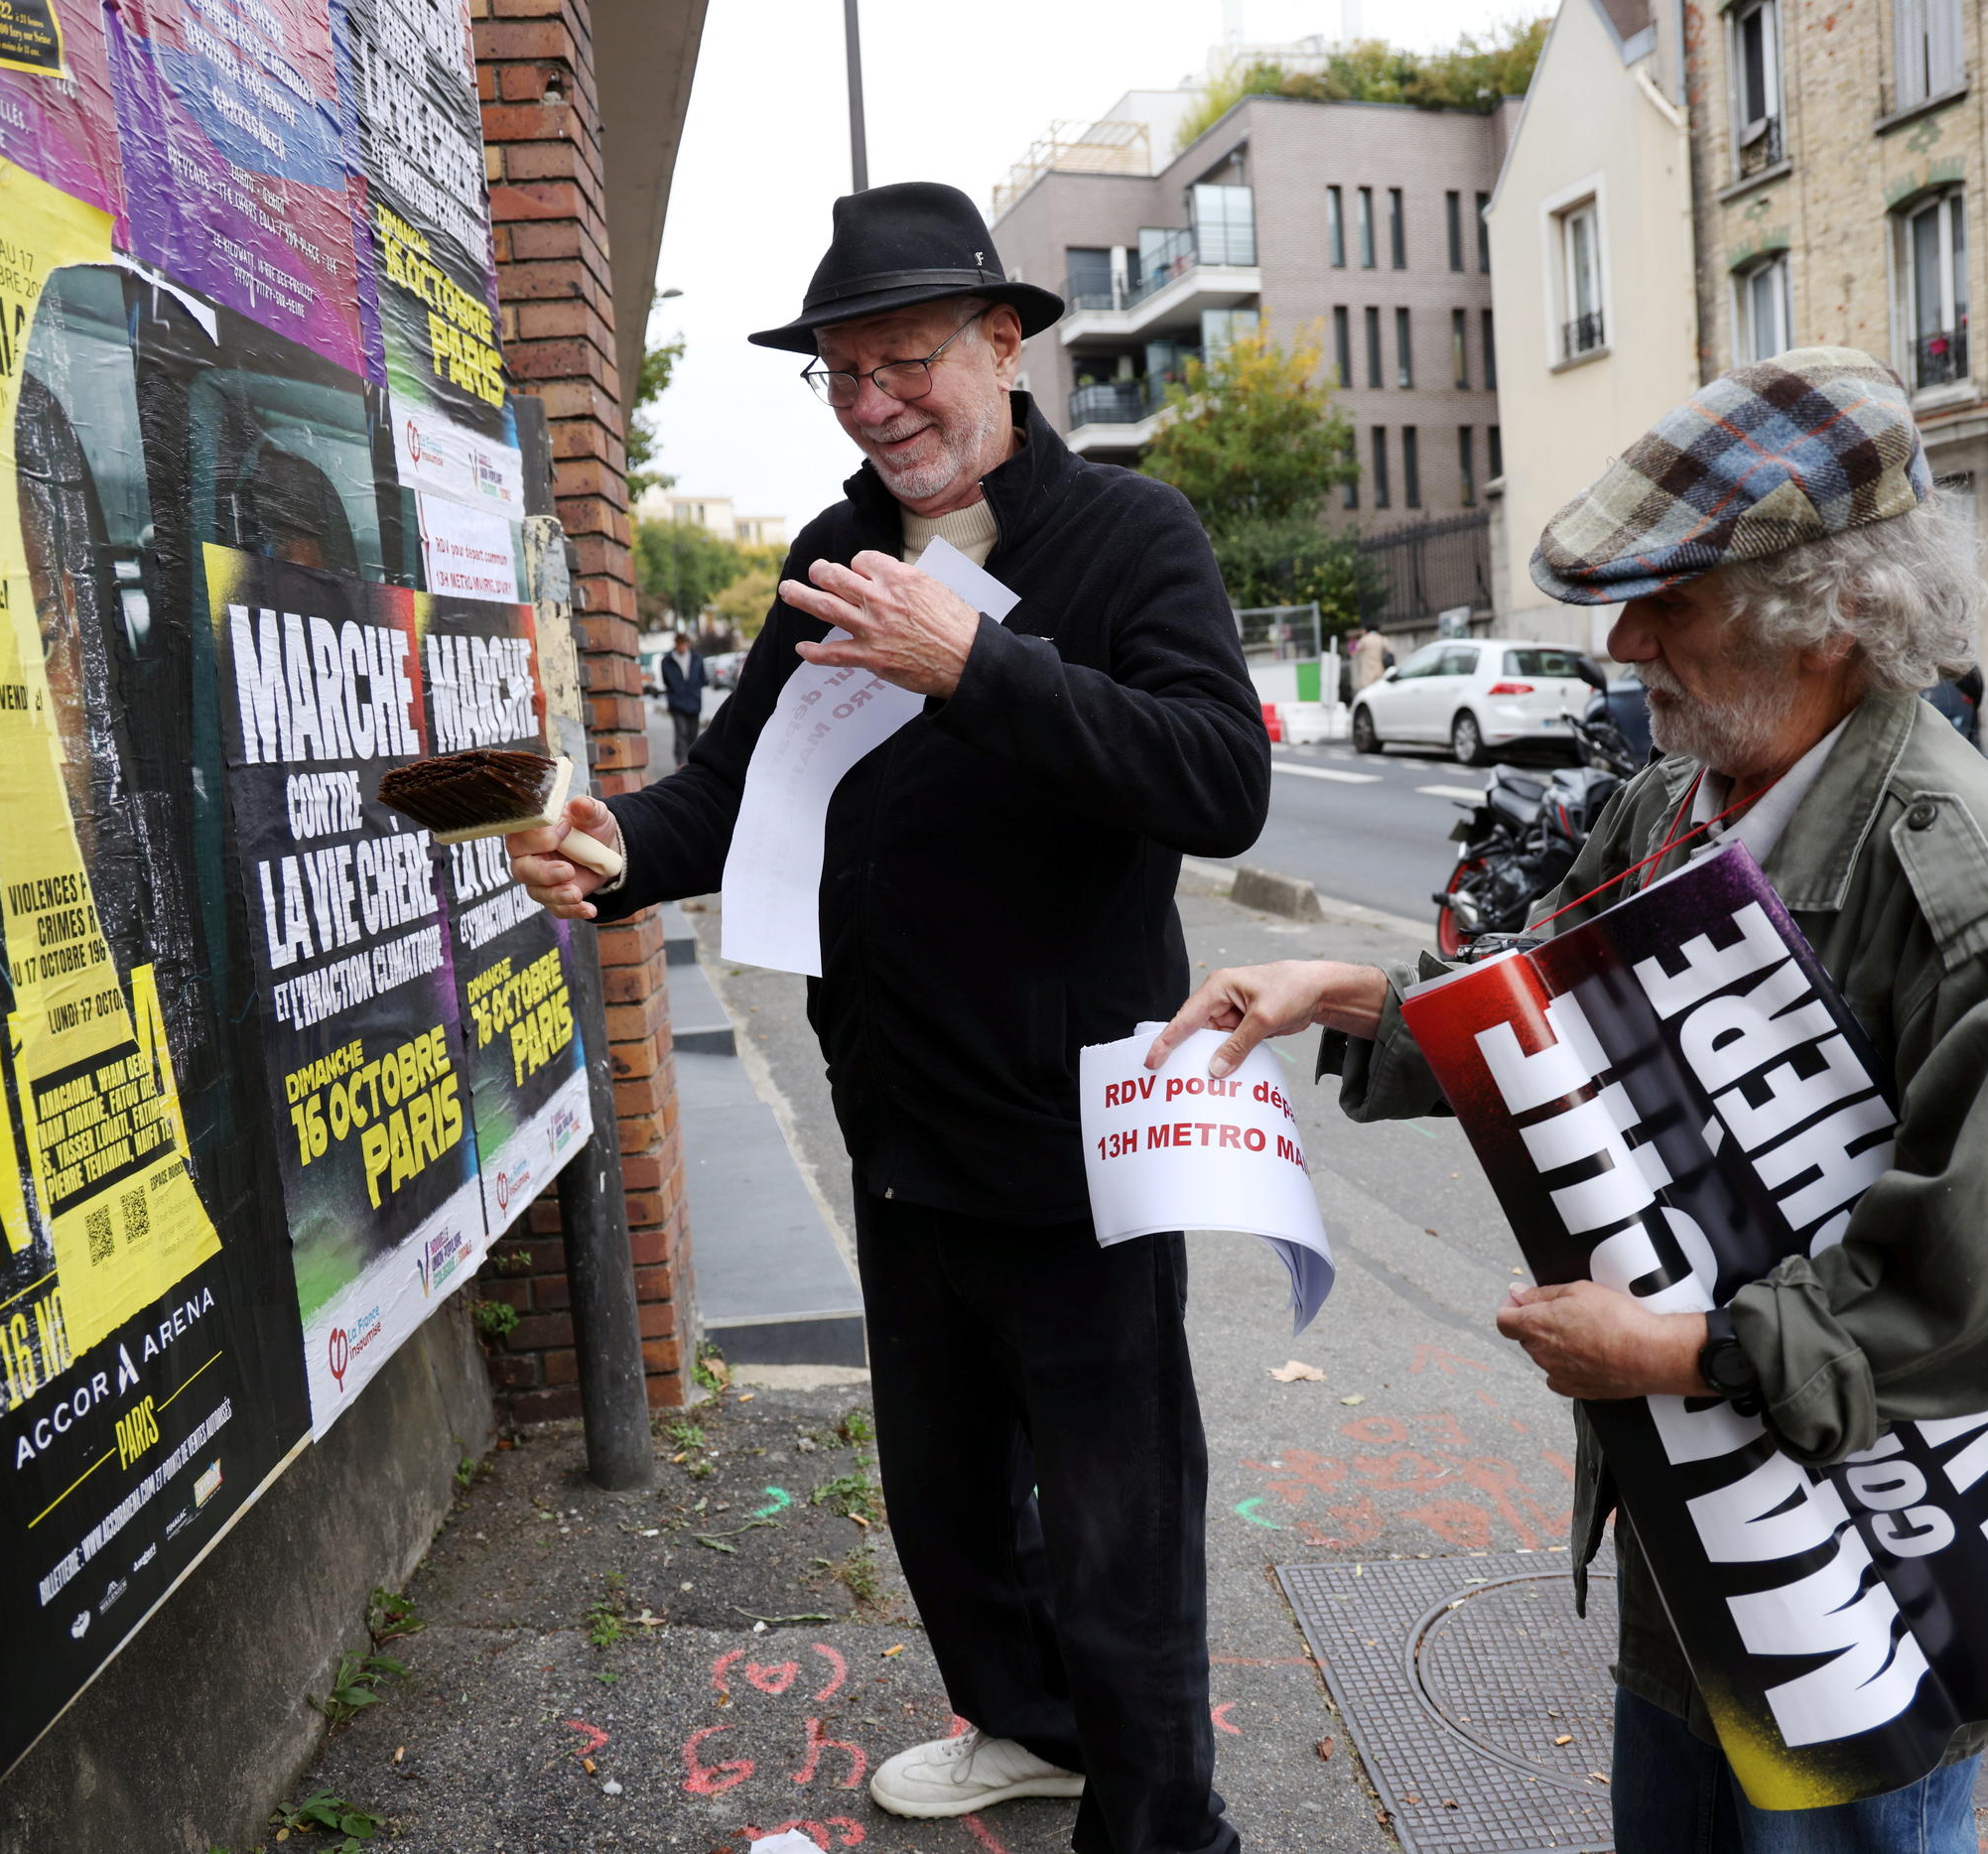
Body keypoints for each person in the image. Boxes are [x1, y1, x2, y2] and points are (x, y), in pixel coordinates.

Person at [1144, 348, 1988, 1854]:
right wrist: (1342, 991)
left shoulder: (1965, 877)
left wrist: (1676, 1348)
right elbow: (1540, 1018)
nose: (1622, 643)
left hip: (1883, 1560)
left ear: (1836, 613)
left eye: (1669, 601)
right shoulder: (1675, 799)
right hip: (1704, 1527)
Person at [505, 182, 1266, 1854]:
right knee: (943, 1504)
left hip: (1085, 1140)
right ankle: (1034, 1726)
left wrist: (977, 667)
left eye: (904, 359)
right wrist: (616, 845)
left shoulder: (1132, 542)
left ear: (1005, 343)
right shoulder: (831, 553)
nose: (872, 403)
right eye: (840, 373)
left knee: (1122, 1531)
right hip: (903, 1126)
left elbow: (1220, 782)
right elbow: (735, 786)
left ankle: (1160, 1824)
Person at [659, 630, 707, 758]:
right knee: (681, 732)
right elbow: (666, 681)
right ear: (675, 644)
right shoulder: (667, 661)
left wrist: (695, 691)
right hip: (677, 702)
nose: (682, 647)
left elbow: (702, 678)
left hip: (694, 701)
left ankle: (692, 760)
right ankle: (681, 761)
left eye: (684, 644)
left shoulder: (697, 658)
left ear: (688, 644)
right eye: (679, 644)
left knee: (693, 733)